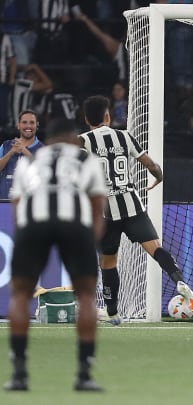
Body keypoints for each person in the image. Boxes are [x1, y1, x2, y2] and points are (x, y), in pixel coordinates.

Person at [78, 95, 193, 325]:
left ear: (86, 119)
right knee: (155, 249)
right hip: (132, 204)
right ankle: (180, 280)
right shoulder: (124, 136)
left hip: (106, 212)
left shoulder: (82, 142)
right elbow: (151, 165)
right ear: (108, 116)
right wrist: (158, 177)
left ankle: (113, 311)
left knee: (108, 261)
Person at [4, 118, 107, 391]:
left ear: (47, 141)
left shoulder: (31, 160)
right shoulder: (86, 160)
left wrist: (27, 235)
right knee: (85, 295)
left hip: (34, 224)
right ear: (74, 139)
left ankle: (19, 374)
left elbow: (17, 205)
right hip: (74, 223)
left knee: (21, 295)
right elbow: (98, 207)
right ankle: (84, 374)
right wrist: (90, 239)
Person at [0, 110, 42, 199]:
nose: (28, 126)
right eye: (24, 122)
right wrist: (11, 152)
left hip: (31, 204)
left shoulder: (43, 149)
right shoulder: (5, 145)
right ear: (18, 125)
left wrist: (24, 150)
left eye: (32, 122)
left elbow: (43, 172)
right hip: (5, 203)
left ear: (37, 125)